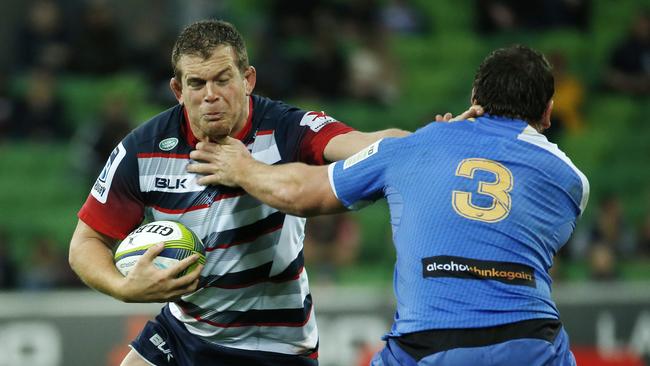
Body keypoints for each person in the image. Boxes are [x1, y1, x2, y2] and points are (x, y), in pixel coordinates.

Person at [68, 19, 476, 366]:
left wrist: (428, 143)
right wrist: (123, 288)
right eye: (197, 83)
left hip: (275, 343)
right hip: (184, 330)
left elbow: (366, 143)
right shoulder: (144, 148)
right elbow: (86, 241)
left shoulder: (286, 129)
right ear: (178, 90)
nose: (210, 94)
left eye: (222, 79)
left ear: (247, 80)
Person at [193, 45, 590, 365]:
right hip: (532, 343)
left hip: (428, 347)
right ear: (548, 112)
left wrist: (242, 167)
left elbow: (302, 193)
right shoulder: (571, 181)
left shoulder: (412, 149)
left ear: (474, 99)